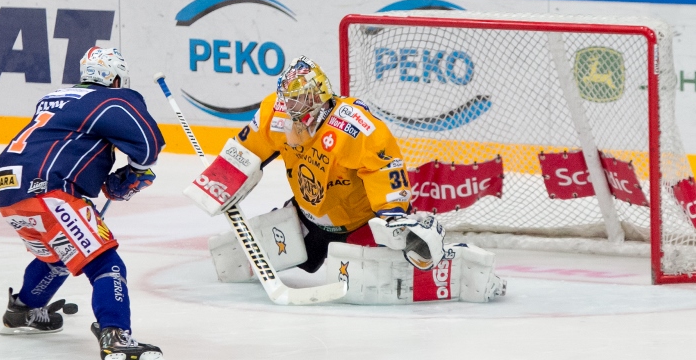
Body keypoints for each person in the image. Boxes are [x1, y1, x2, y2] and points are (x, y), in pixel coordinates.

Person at [186, 56, 506, 304]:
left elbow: (385, 173)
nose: (290, 108)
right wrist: (221, 181)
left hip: (359, 225)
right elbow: (244, 149)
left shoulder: (355, 128)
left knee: (384, 279)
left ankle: (462, 262)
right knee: (234, 258)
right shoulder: (275, 115)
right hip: (307, 218)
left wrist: (393, 217)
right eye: (287, 99)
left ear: (320, 96)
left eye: (299, 100)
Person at [0, 47, 167, 360]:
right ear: (116, 79)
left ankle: (24, 310)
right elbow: (149, 144)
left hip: (8, 189)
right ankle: (116, 338)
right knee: (105, 262)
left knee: (61, 252)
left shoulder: (57, 98)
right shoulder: (114, 98)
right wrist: (135, 174)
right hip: (49, 190)